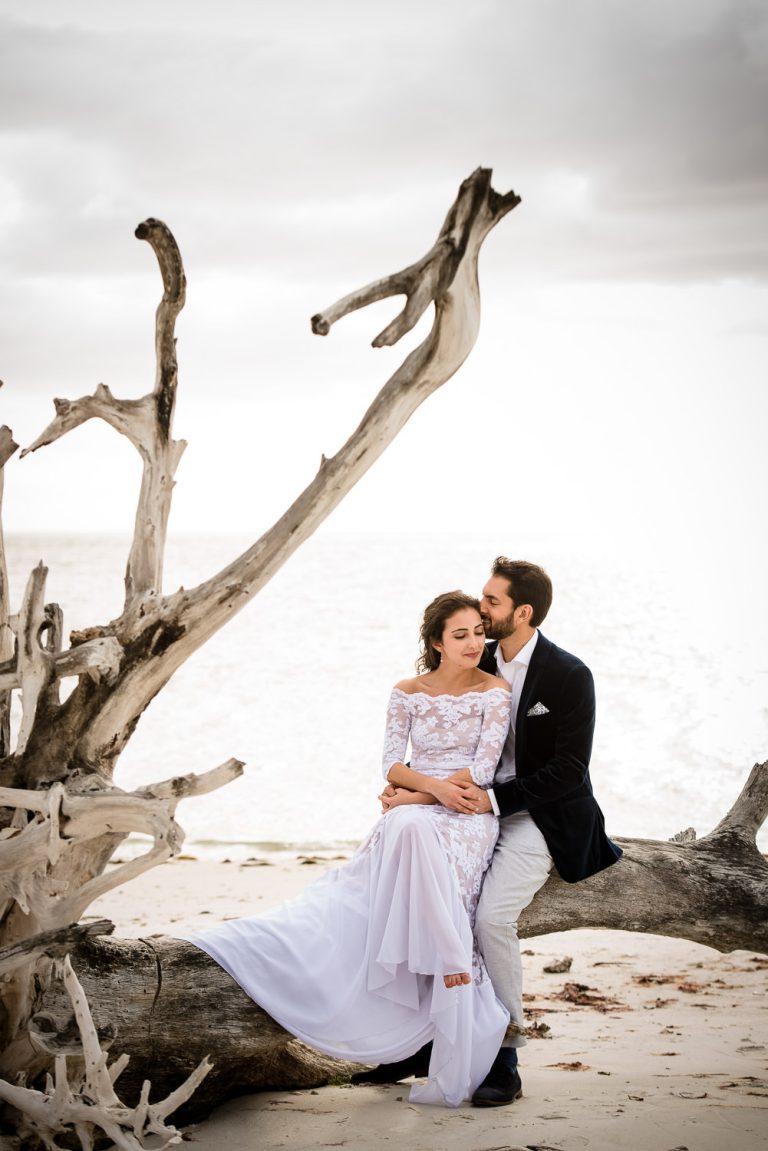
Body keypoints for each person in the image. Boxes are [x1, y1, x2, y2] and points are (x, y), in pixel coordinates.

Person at [179, 591, 513, 1107]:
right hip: (420, 810)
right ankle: (451, 962)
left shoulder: (495, 692)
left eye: (477, 632)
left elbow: (482, 771)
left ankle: (452, 968)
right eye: (460, 634)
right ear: (436, 642)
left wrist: (426, 795)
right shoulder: (406, 691)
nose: (473, 643)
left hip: (467, 816)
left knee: (407, 823)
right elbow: (391, 766)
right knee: (408, 827)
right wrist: (421, 793)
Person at [371, 558, 623, 1107]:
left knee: (490, 917)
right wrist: (414, 792)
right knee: (419, 885)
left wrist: (483, 798)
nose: (479, 612)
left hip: (537, 814)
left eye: (491, 603)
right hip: (464, 804)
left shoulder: (568, 674)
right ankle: (417, 1039)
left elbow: (569, 771)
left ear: (522, 612)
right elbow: (435, 735)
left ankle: (505, 1052)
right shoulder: (475, 653)